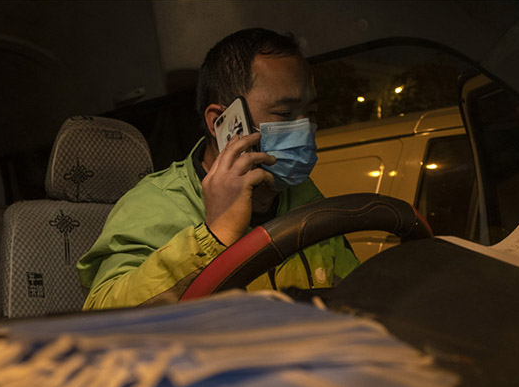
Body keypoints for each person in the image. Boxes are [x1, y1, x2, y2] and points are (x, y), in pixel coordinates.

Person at [77, 28, 359, 309]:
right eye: (284, 114)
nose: (304, 129)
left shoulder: (302, 195)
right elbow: (102, 313)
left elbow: (354, 293)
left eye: (310, 114)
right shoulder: (154, 202)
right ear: (221, 122)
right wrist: (213, 235)